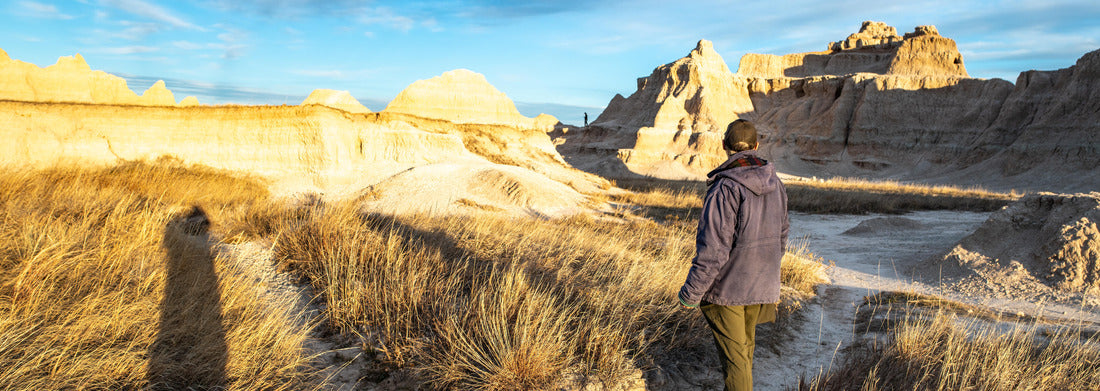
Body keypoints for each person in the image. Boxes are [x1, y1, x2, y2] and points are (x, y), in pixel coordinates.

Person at [678, 119, 788, 391]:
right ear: (756, 145)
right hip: (761, 285)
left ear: (724, 145)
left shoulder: (725, 187)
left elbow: (713, 249)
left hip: (727, 291)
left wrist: (691, 294)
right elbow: (782, 236)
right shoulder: (776, 184)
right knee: (744, 353)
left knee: (737, 363)